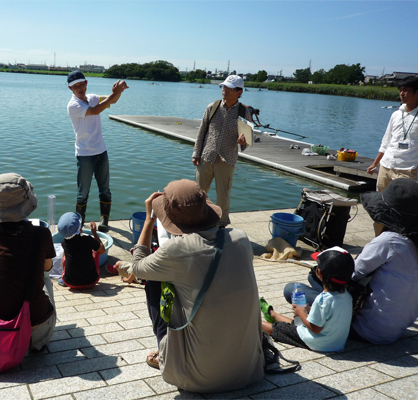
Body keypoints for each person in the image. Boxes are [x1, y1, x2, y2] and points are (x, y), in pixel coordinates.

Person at [117, 179, 264, 393]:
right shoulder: (241, 238)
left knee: (154, 283)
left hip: (197, 378)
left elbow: (137, 267)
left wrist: (150, 220)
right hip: (248, 369)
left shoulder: (176, 251)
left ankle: (165, 352)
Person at [283, 179, 418, 345]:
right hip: (394, 331)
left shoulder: (390, 241)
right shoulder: (414, 242)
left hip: (364, 330)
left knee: (294, 288)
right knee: (318, 279)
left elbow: (351, 274)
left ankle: (326, 315)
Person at [0, 173, 57, 351]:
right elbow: (48, 267)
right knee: (46, 276)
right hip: (35, 327)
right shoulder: (41, 234)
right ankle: (36, 346)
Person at [67, 70, 129, 232]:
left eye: (81, 84)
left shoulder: (93, 98)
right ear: (70, 89)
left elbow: (112, 101)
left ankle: (104, 221)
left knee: (105, 189)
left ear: (86, 83)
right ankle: (79, 223)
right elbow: (95, 111)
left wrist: (119, 91)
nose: (79, 88)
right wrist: (113, 94)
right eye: (75, 86)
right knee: (82, 193)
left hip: (101, 151)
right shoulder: (73, 105)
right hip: (84, 154)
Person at [260, 247, 355, 352]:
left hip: (318, 343)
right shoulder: (347, 296)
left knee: (280, 327)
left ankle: (254, 322)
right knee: (297, 325)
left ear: (319, 273)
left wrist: (301, 312)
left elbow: (315, 329)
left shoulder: (323, 299)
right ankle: (272, 314)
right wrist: (309, 310)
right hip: (336, 343)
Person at [192, 75, 255, 227]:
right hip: (207, 156)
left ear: (239, 92)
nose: (224, 90)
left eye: (229, 88)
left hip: (227, 160)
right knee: (198, 194)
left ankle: (221, 224)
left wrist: (243, 142)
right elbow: (202, 131)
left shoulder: (244, 112)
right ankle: (195, 220)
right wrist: (196, 153)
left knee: (223, 197)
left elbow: (248, 139)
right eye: (224, 87)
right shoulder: (212, 107)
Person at [367, 76, 418, 191]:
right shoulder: (396, 114)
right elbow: (386, 141)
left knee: (402, 204)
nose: (402, 94)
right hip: (386, 166)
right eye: (400, 90)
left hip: (406, 169)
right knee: (381, 201)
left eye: (406, 91)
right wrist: (375, 164)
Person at [57, 212, 105, 289]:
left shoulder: (64, 242)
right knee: (96, 250)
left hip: (69, 282)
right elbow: (102, 251)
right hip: (91, 281)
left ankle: (63, 278)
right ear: (81, 229)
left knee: (66, 254)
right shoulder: (88, 240)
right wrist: (94, 233)